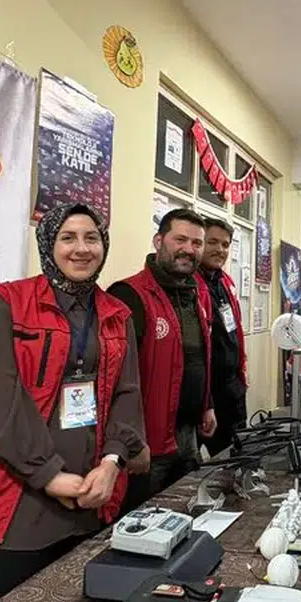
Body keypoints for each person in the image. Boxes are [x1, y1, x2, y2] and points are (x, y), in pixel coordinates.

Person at [0, 203, 145, 602]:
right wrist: (49, 475)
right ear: (48, 244)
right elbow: (0, 403)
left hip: (89, 501)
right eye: (68, 238)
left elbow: (127, 393)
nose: (81, 248)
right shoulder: (5, 303)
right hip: (11, 505)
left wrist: (112, 463)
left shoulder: (117, 314)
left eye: (92, 238)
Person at [109, 208, 217, 511]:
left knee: (185, 515)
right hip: (148, 442)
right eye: (180, 240)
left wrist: (207, 404)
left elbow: (198, 356)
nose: (189, 249)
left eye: (196, 243)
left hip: (188, 432)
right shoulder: (128, 295)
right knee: (143, 521)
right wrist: (130, 442)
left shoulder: (196, 294)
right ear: (159, 241)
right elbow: (115, 378)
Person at [198, 216, 249, 457]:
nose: (219, 249)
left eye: (225, 244)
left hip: (232, 387)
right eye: (212, 242)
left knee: (238, 454)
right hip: (205, 392)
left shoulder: (225, 282)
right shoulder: (189, 284)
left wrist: (241, 376)